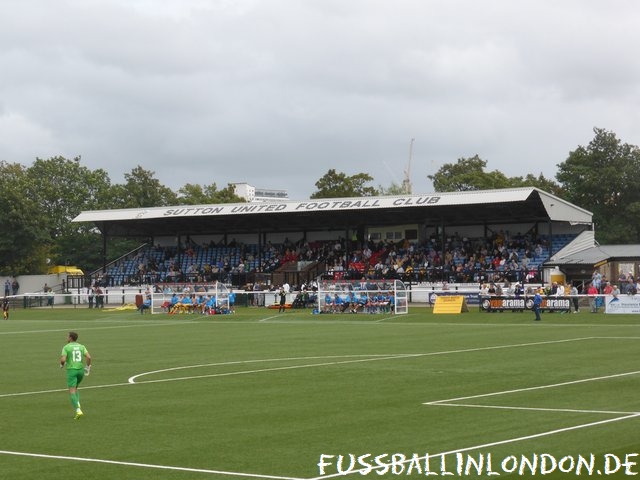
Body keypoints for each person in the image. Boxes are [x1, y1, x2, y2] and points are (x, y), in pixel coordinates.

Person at [59, 331, 92, 420]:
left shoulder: (66, 347)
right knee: (76, 388)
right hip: (81, 371)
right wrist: (88, 367)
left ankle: (78, 410)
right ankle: (77, 402)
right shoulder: (81, 346)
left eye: (67, 336)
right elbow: (89, 357)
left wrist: (62, 364)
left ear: (70, 338)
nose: (66, 337)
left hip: (72, 371)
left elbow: (63, 359)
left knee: (72, 391)